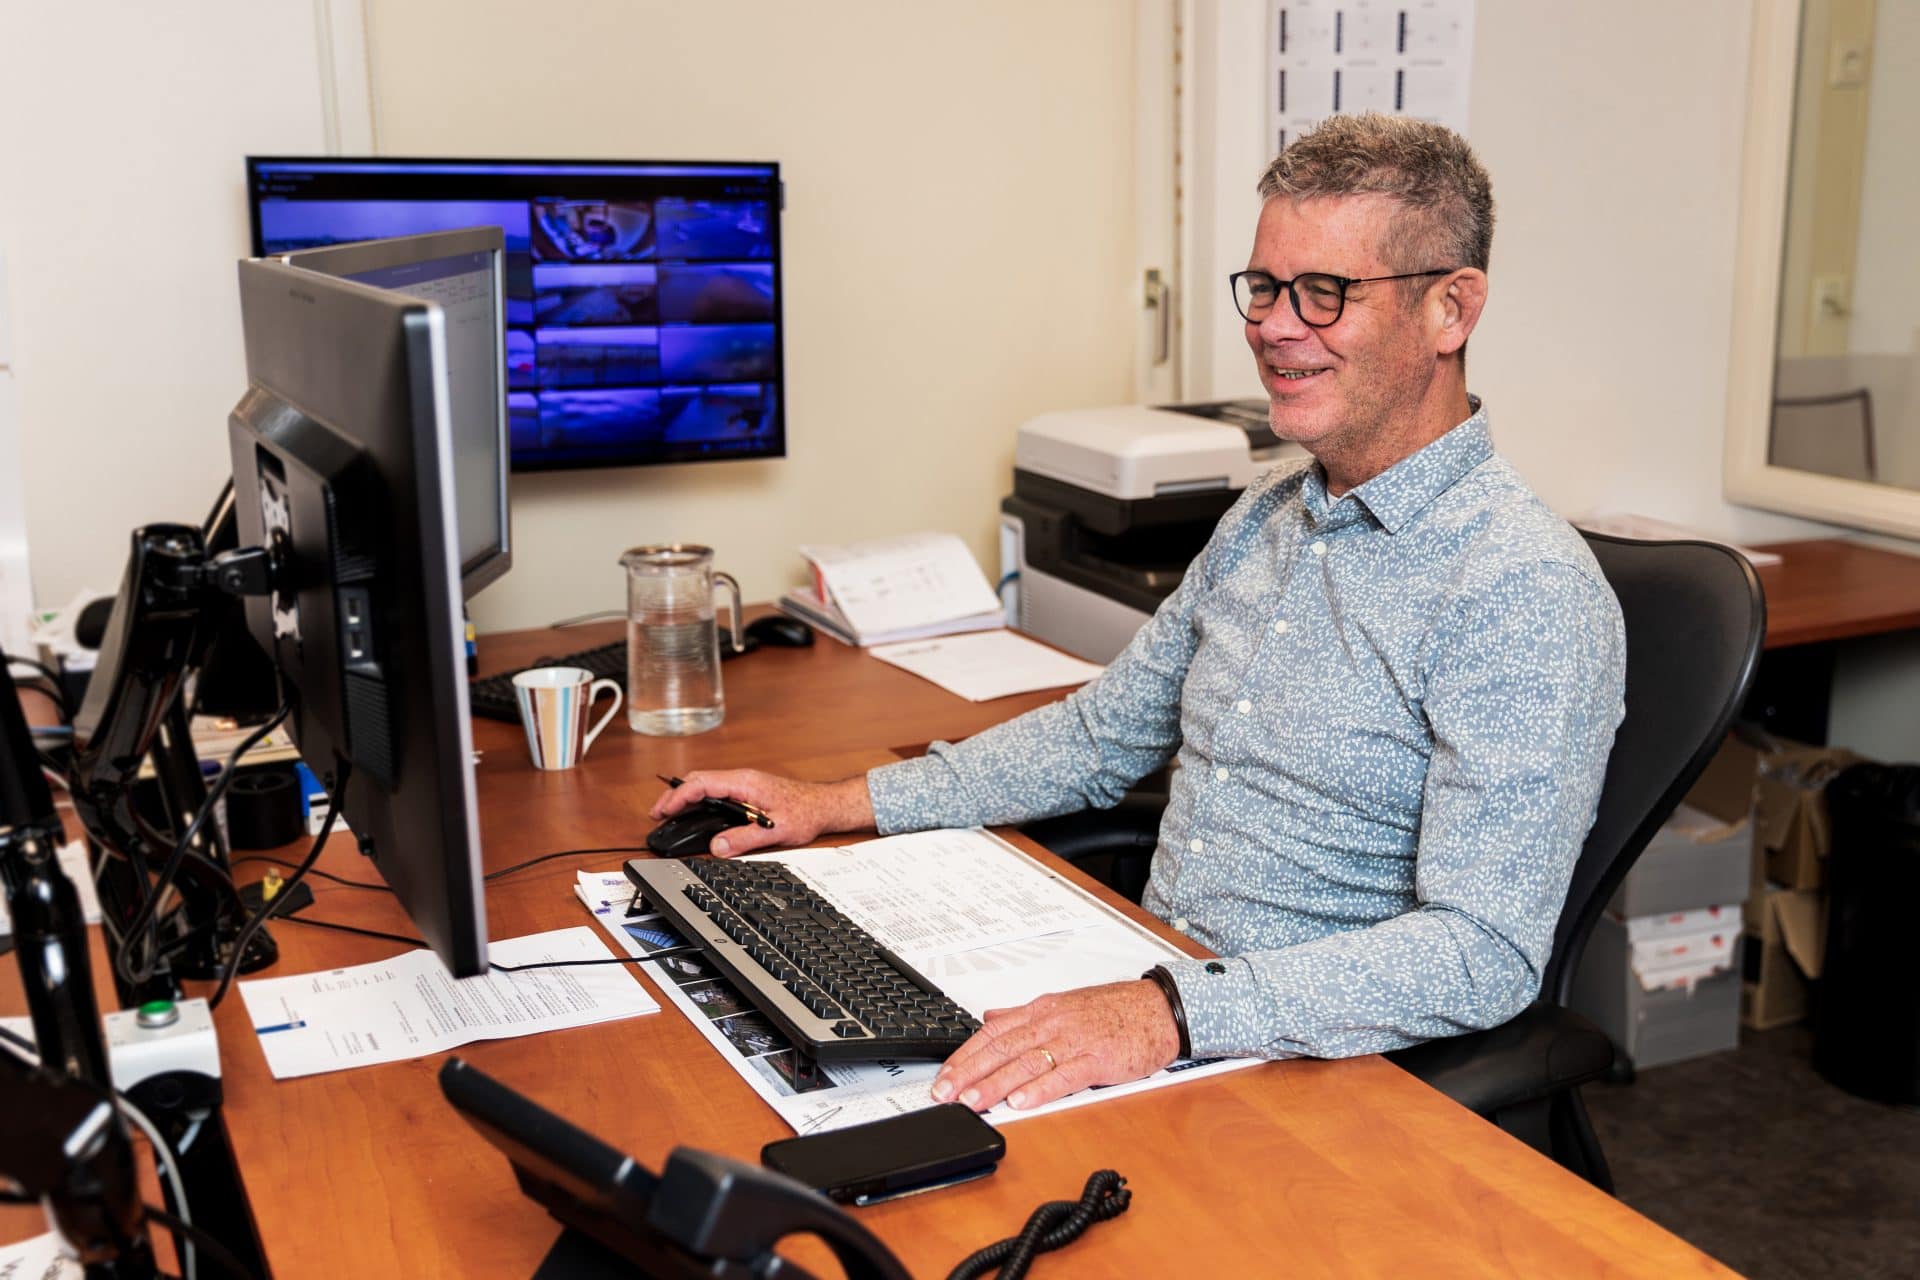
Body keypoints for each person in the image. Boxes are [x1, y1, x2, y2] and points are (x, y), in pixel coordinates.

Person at [650, 114, 1626, 1115]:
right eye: (1266, 287)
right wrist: (832, 801)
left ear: (1450, 310)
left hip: (1320, 1070)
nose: (1277, 326)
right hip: (1155, 1007)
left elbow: (1483, 951)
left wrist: (1169, 1012)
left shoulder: (1520, 588)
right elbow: (1100, 736)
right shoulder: (1267, 517)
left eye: (1325, 293)